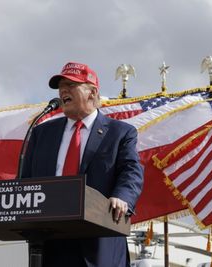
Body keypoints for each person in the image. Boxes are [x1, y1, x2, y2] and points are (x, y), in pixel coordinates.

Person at [22, 62, 144, 267]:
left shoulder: (120, 132)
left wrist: (122, 197)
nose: (63, 91)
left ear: (92, 92)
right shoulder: (41, 133)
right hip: (49, 242)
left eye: (71, 85)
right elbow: (26, 180)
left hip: (98, 243)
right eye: (61, 86)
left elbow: (131, 171)